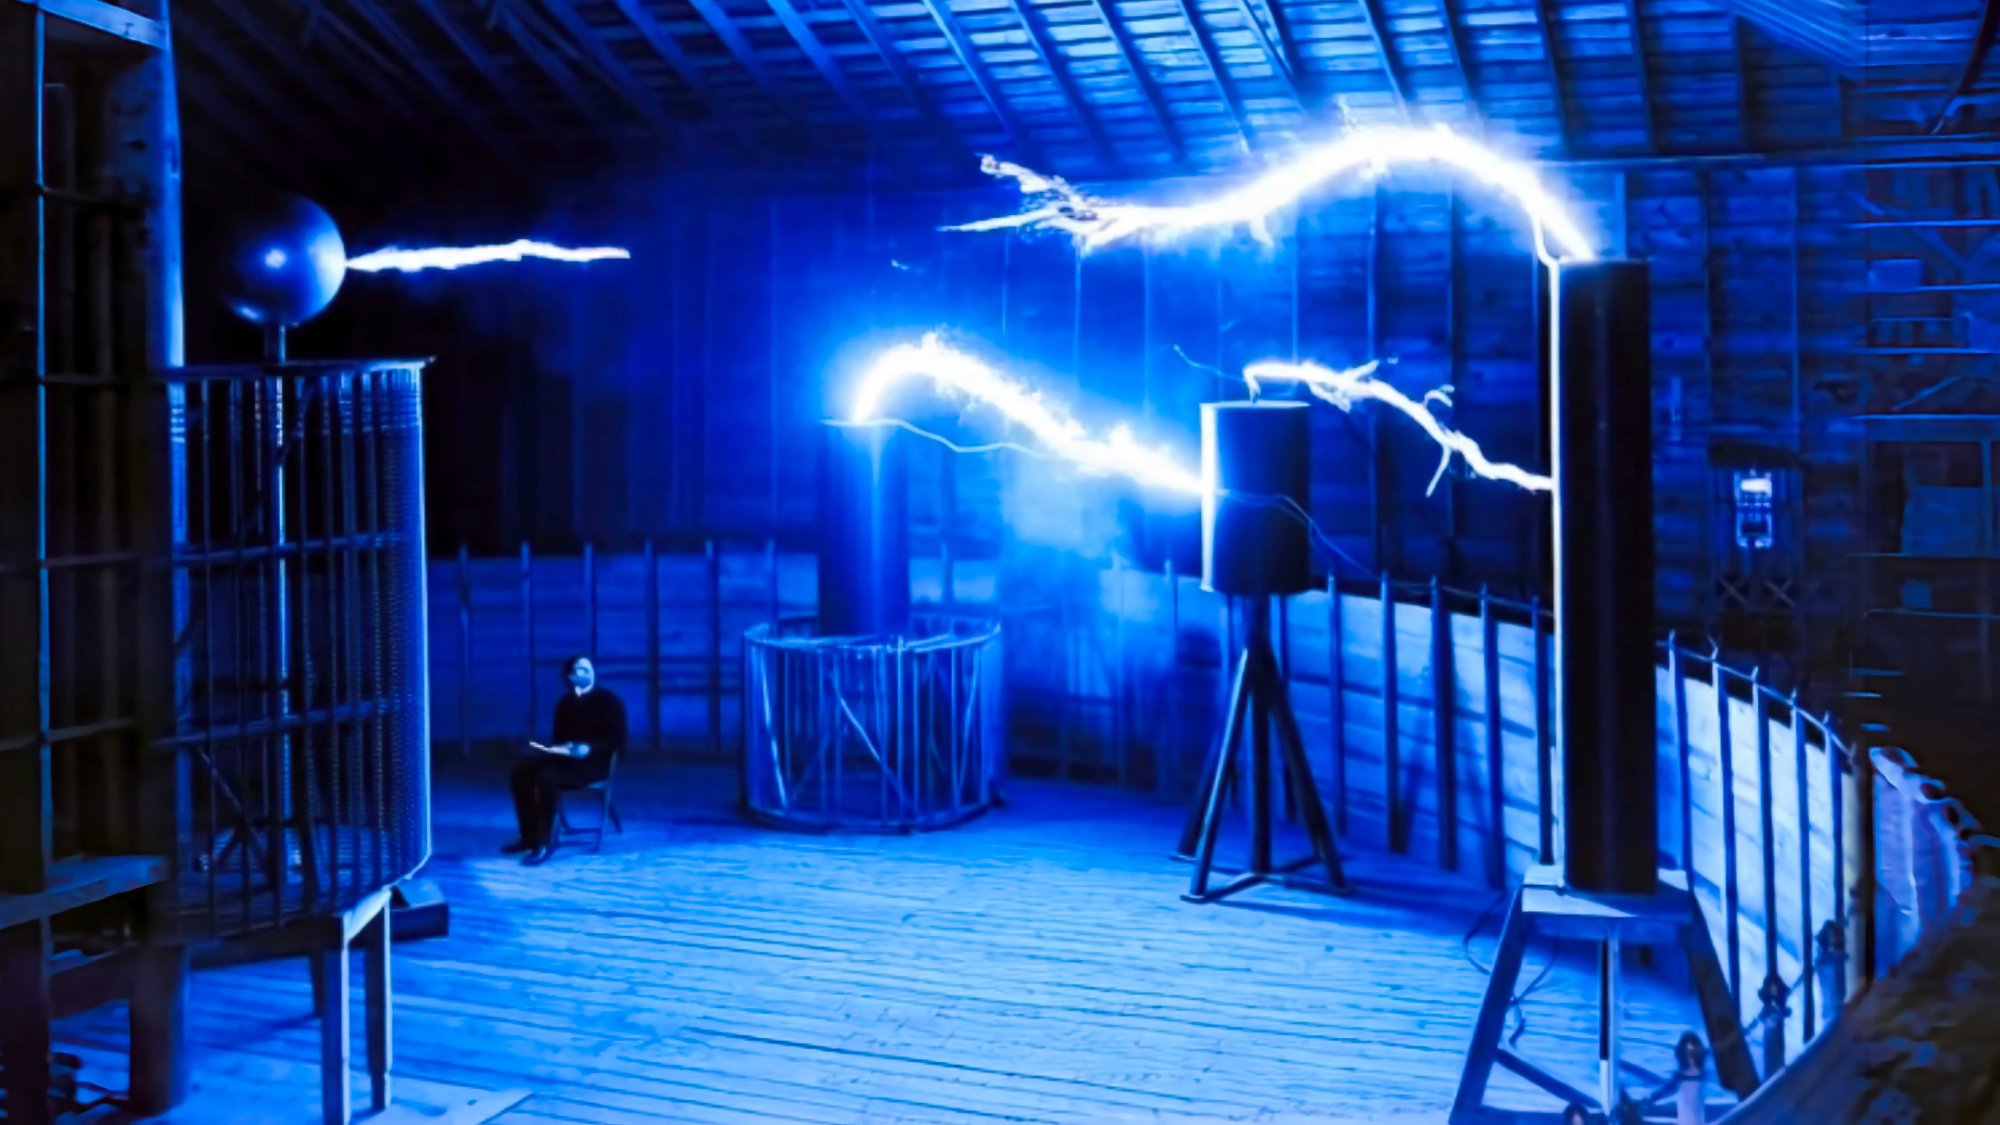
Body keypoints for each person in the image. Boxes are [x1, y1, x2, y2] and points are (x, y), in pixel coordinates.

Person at [506, 654, 626, 865]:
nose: (587, 671)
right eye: (581, 669)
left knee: (547, 778)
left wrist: (590, 748)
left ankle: (544, 843)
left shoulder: (609, 701)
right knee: (521, 771)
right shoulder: (565, 703)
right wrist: (560, 748)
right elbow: (559, 738)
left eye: (589, 668)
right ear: (570, 676)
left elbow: (618, 740)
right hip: (567, 760)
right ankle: (529, 836)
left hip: (595, 764)